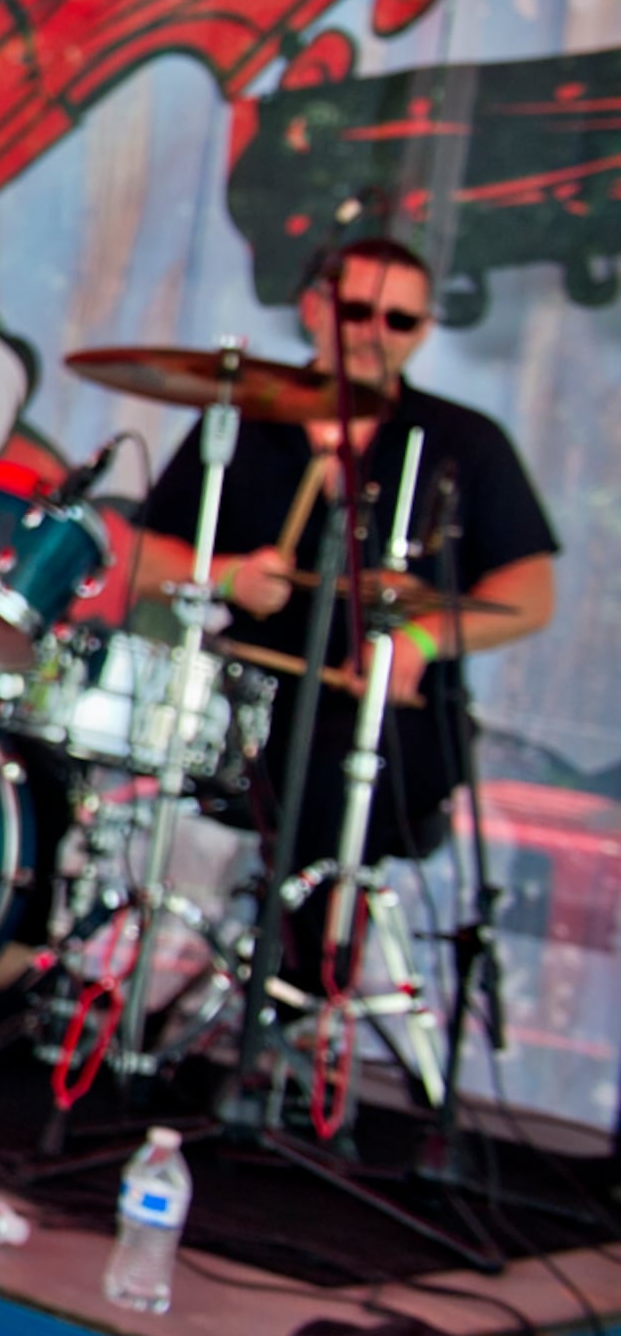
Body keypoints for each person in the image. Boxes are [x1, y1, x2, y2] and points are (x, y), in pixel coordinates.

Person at [134, 235, 558, 872]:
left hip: (388, 717)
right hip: (241, 700)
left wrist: (420, 640)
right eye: (357, 311)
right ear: (313, 309)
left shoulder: (462, 442)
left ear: (424, 331)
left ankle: (306, 967)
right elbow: (140, 555)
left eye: (400, 320)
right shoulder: (248, 421)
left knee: (334, 788)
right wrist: (223, 577)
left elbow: (530, 594)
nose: (374, 333)